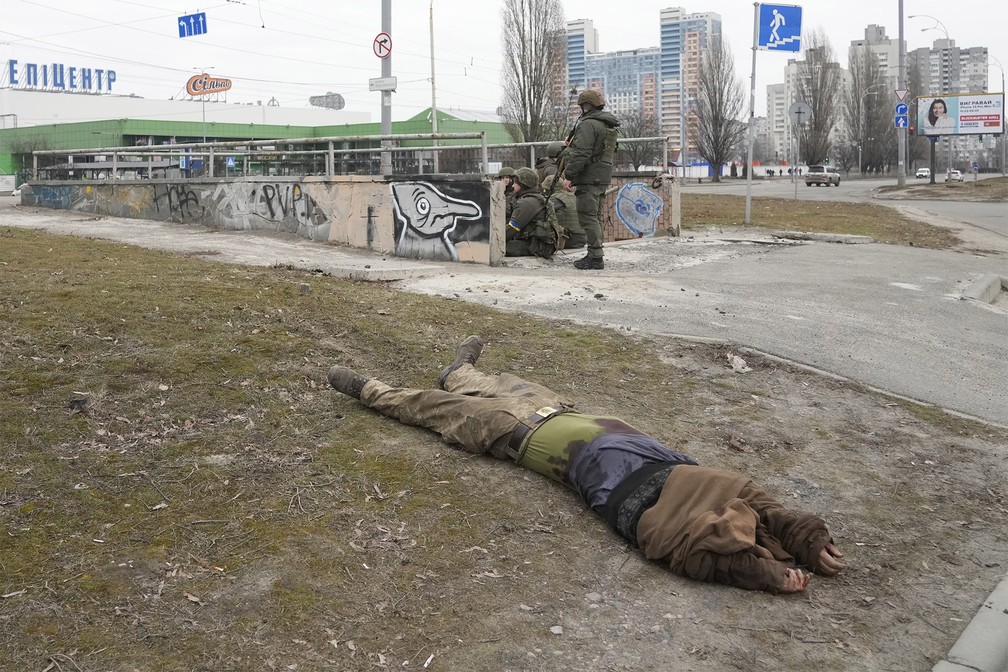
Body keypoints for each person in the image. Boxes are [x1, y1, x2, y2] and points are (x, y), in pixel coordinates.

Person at [327, 336, 846, 594]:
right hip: (579, 419)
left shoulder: (663, 528)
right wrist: (803, 533)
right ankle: (460, 370)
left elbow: (698, 556)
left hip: (517, 433)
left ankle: (372, 390)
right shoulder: (717, 496)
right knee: (501, 383)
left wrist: (767, 572)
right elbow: (759, 504)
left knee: (433, 406)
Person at [564, 89, 621, 271]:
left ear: (585, 106)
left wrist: (569, 175)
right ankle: (595, 254)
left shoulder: (588, 125)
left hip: (589, 177)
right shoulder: (608, 124)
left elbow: (582, 153)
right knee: (595, 217)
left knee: (588, 218)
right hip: (602, 176)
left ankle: (595, 257)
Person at [542, 175, 587, 250]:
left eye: (545, 189)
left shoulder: (554, 199)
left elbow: (541, 214)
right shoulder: (575, 196)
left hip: (566, 240)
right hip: (582, 239)